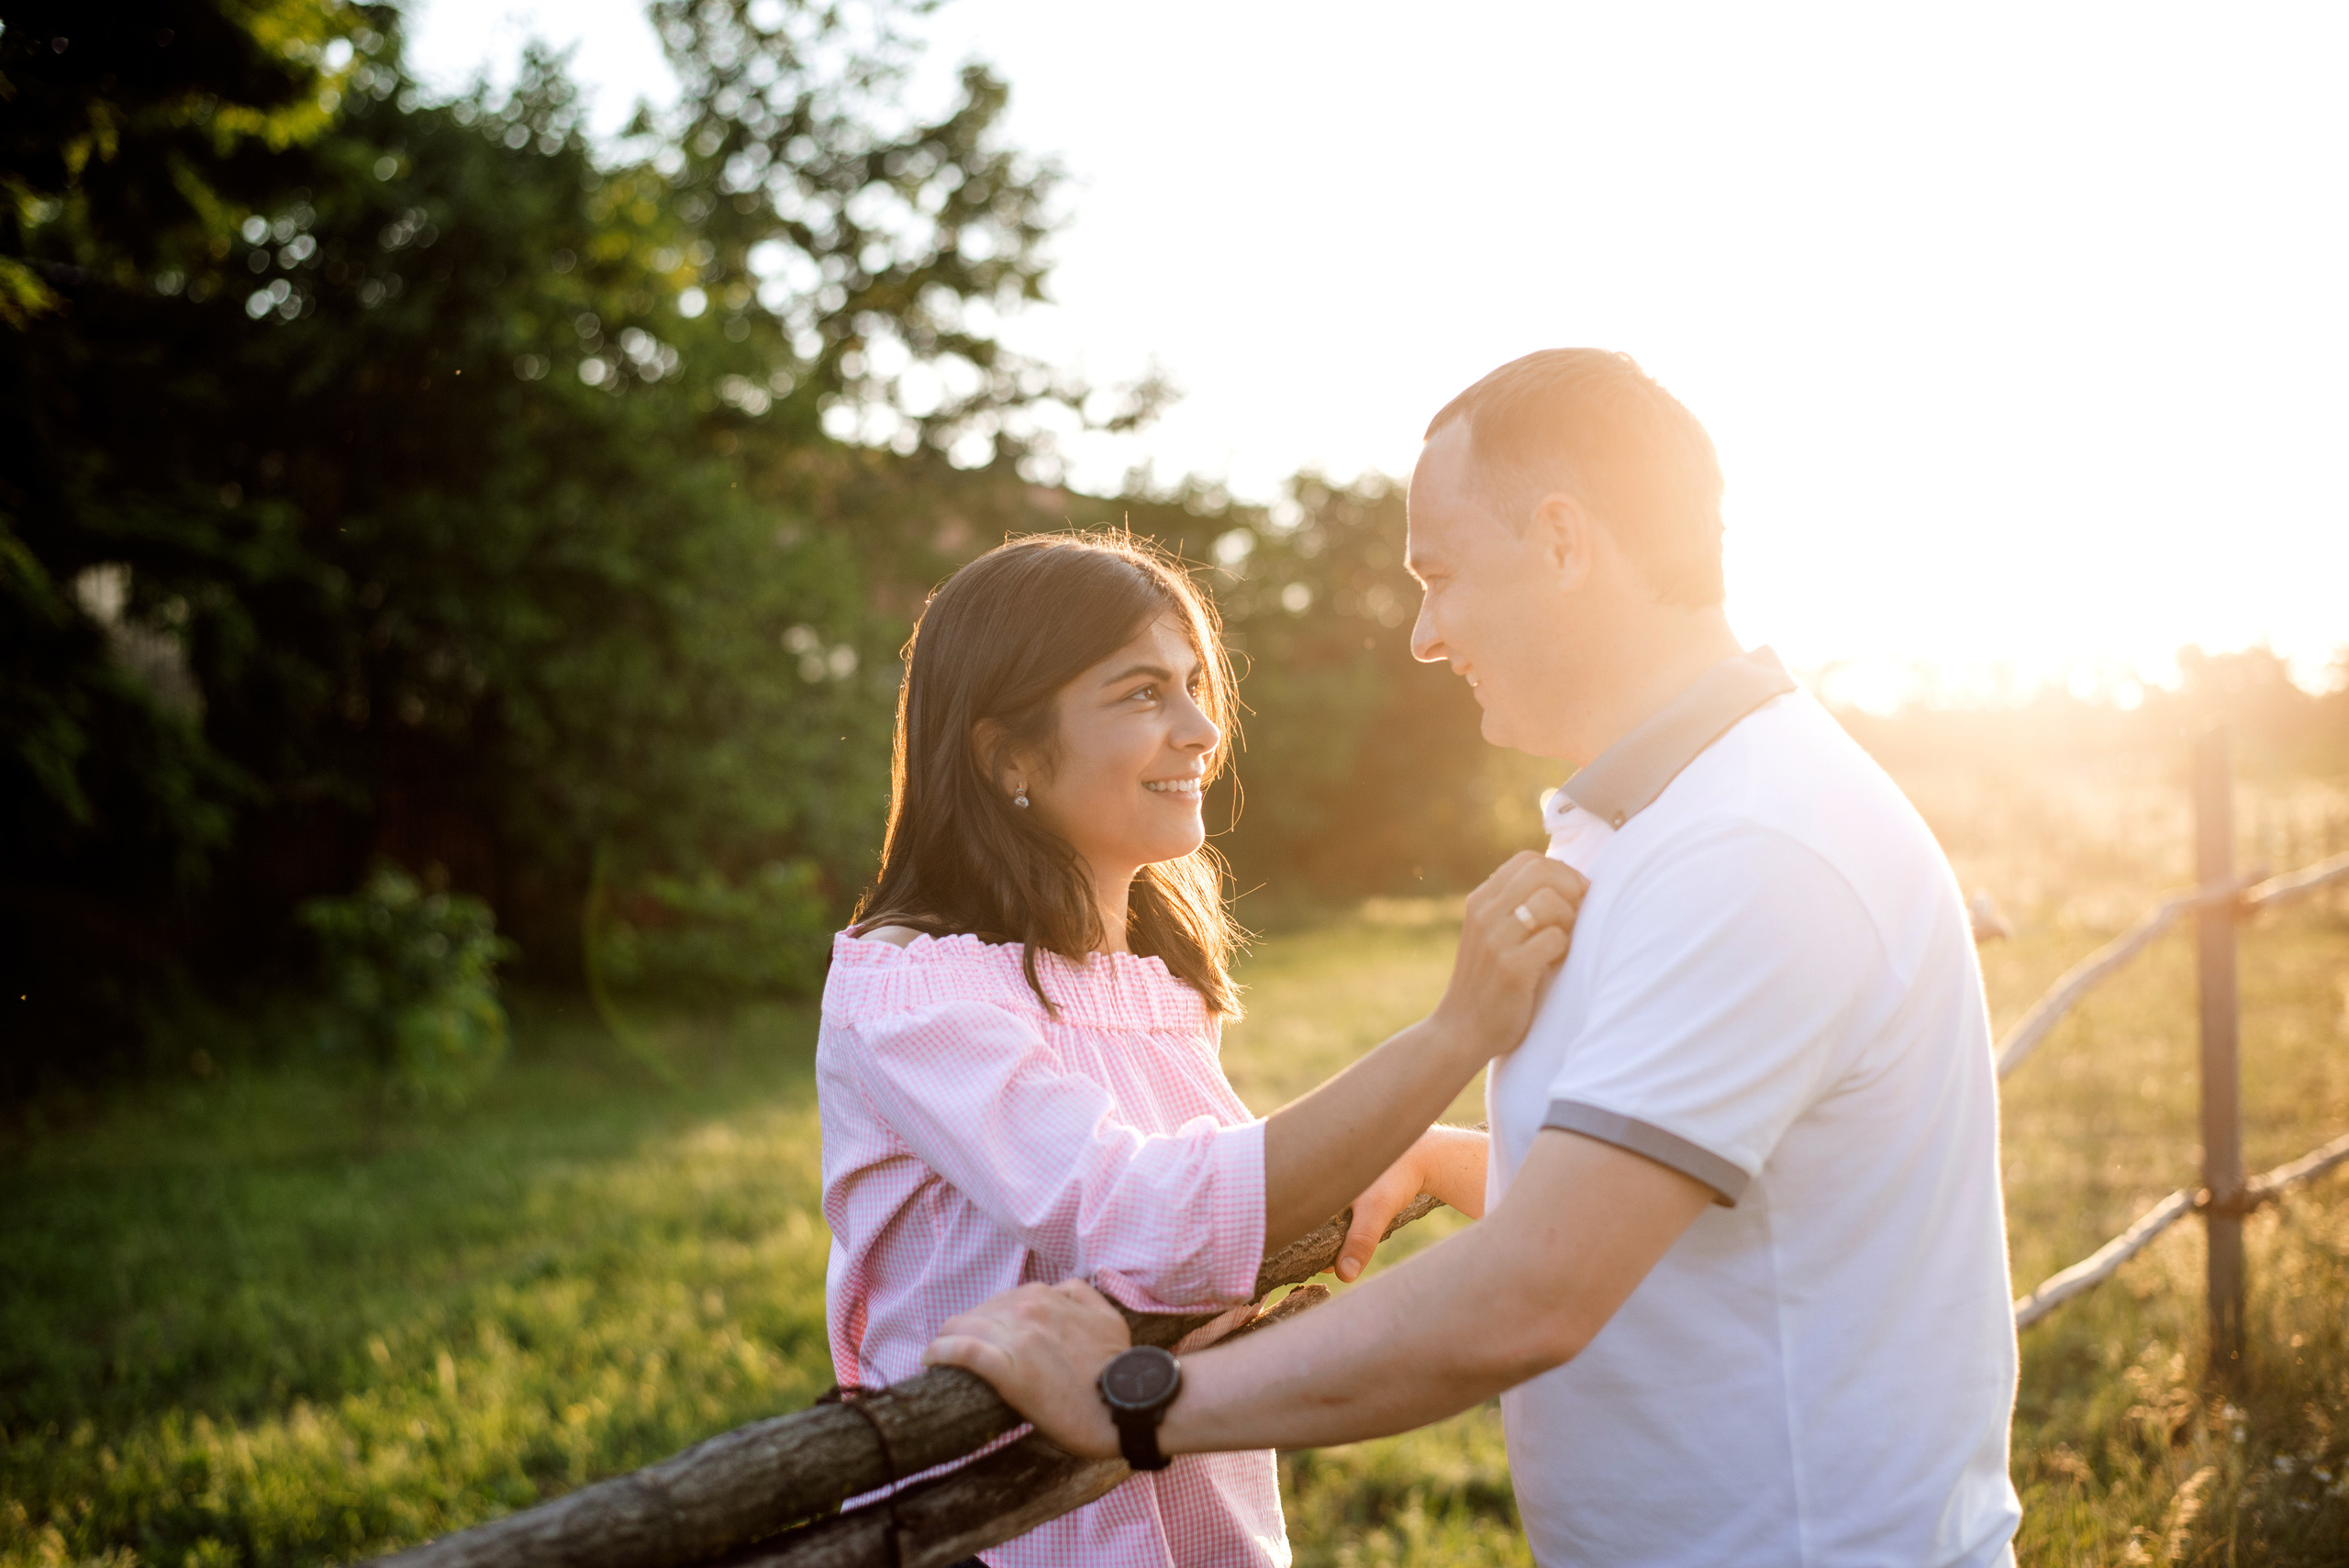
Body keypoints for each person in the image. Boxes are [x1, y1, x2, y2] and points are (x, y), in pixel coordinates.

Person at [925, 350, 2025, 1567]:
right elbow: (1713, 1193)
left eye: (1438, 576)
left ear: (1564, 542)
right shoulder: (1675, 820)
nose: (1424, 637)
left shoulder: (1749, 846)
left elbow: (1532, 1295)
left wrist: (1134, 1403)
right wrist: (1464, 1161)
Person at [818, 529, 1586, 1568]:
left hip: (1201, 1529)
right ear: (1006, 754)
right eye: (1141, 694)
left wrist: (1436, 1154)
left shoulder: (1156, 967)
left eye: (1192, 682)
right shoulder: (912, 994)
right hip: (1011, 1545)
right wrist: (1455, 1033)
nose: (1200, 727)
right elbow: (1143, 1218)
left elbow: (1219, 1203)